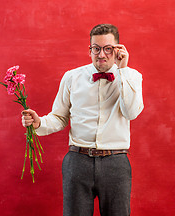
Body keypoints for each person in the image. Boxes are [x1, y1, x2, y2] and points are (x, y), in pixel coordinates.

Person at [22, 24, 144, 216]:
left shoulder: (132, 76)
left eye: (108, 48)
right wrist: (39, 123)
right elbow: (59, 117)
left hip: (116, 162)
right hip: (77, 161)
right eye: (96, 48)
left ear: (118, 49)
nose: (101, 54)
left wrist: (123, 71)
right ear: (90, 50)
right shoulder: (72, 77)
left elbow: (131, 113)